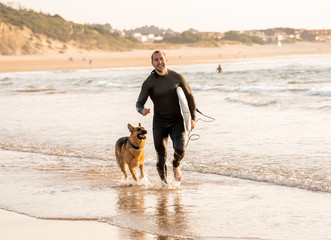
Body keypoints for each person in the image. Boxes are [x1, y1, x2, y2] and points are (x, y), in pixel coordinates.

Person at [136, 50, 196, 184]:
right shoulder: (149, 82)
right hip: (160, 123)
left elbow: (190, 96)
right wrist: (142, 110)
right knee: (161, 158)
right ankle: (165, 185)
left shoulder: (177, 77)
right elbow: (139, 103)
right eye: (156, 60)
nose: (159, 62)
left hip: (176, 121)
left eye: (161, 59)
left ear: (166, 60)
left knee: (180, 149)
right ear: (152, 63)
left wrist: (192, 117)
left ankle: (175, 165)